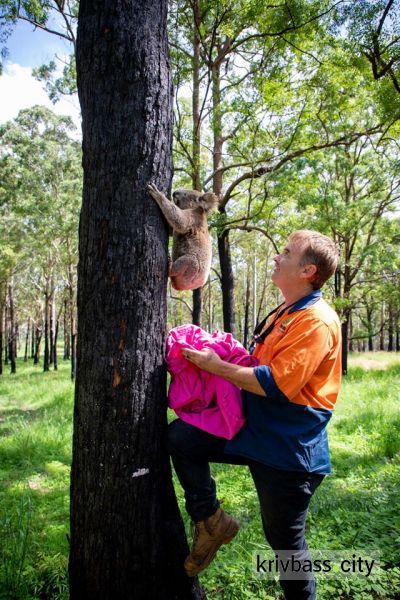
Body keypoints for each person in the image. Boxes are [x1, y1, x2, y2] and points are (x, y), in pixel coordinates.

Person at [167, 230, 341, 600]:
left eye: (287, 252)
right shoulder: (285, 311)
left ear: (308, 270)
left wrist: (216, 367)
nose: (277, 256)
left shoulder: (317, 321)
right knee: (182, 438)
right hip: (252, 430)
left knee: (286, 546)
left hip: (288, 450)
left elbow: (276, 384)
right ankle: (211, 519)